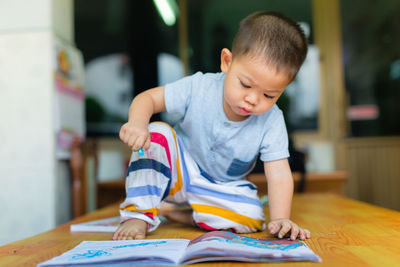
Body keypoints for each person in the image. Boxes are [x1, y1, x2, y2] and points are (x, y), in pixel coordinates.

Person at [113, 11, 311, 241]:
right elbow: (148, 99)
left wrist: (280, 219)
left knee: (253, 215)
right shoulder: (199, 86)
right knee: (157, 133)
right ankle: (138, 214)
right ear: (227, 62)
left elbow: (278, 173)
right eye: (245, 84)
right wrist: (137, 124)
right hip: (176, 175)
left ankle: (187, 215)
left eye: (269, 95)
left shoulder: (272, 120)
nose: (253, 99)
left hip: (219, 189)